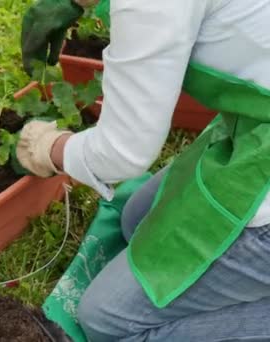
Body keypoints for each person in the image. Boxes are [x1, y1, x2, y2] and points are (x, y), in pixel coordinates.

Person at [17, 0, 270, 341]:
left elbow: (124, 151)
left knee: (108, 322)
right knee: (135, 217)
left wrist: (50, 148)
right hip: (254, 134)